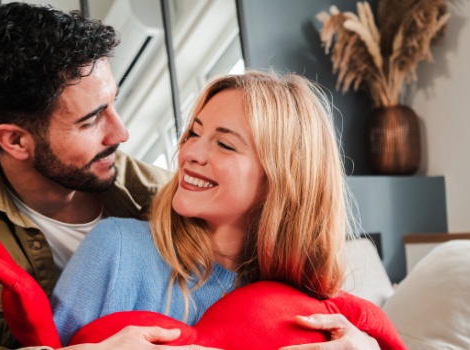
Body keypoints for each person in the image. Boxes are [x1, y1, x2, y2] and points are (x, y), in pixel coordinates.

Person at [0, 2, 379, 349]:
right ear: (15, 140)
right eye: (90, 119)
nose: (121, 133)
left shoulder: (164, 194)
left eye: (114, 104)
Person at [50, 71, 401, 349]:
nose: (191, 153)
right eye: (194, 133)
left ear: (282, 178)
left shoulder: (310, 308)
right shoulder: (116, 249)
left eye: (224, 144)